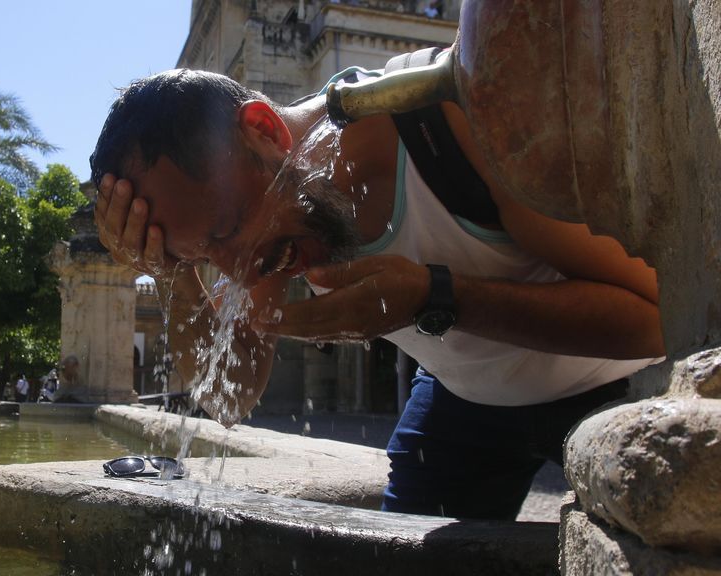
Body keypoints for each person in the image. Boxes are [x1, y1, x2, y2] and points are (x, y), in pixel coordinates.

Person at [90, 69, 664, 520]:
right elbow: (227, 399)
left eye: (223, 232)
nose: (236, 273)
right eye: (203, 255)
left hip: (618, 382)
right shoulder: (263, 197)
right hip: (465, 398)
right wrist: (175, 273)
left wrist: (436, 297)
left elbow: (654, 319)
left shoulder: (453, 120)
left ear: (264, 129)